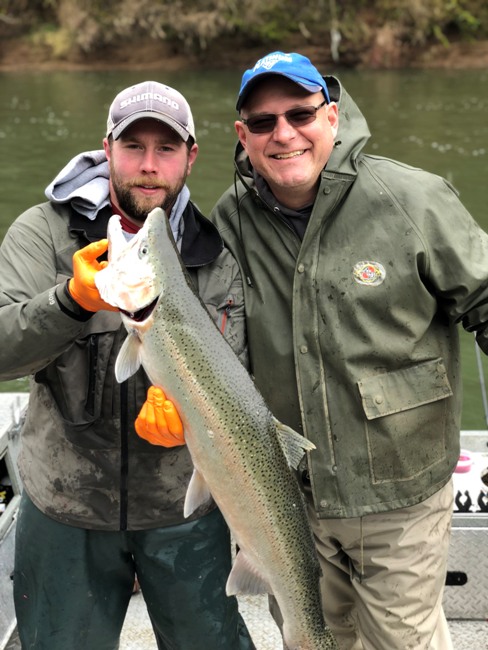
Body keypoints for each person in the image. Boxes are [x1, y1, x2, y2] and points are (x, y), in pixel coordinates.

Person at [206, 52, 488, 649]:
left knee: (402, 640)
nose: (283, 134)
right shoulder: (228, 220)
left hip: (402, 490)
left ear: (331, 115)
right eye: (263, 122)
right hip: (289, 497)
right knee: (311, 637)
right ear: (242, 135)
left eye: (301, 113)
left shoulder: (415, 199)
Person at [0, 80, 255, 650]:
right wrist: (69, 301)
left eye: (165, 149)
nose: (147, 166)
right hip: (65, 504)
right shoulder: (40, 233)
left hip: (181, 511)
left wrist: (188, 419)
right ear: (106, 148)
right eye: (132, 146)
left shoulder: (218, 257)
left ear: (191, 156)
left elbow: (239, 382)